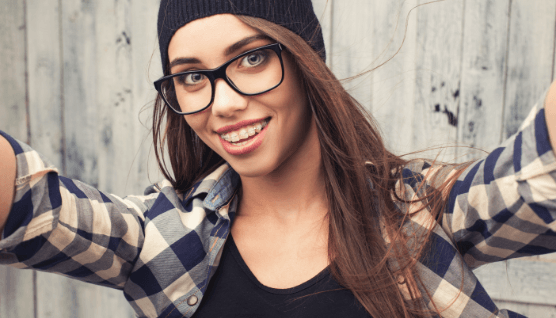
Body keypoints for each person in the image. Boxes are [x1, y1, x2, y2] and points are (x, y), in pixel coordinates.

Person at [0, 0, 555, 317]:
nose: (224, 104)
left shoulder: (420, 212)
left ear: (306, 59)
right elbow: (29, 207)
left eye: (251, 59)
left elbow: (540, 179)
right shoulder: (162, 240)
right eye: (193, 76)